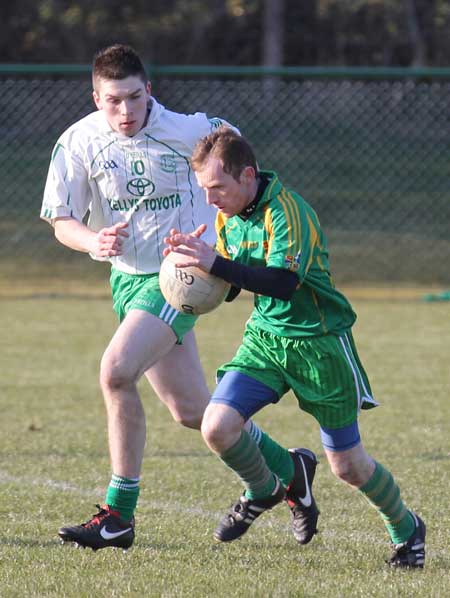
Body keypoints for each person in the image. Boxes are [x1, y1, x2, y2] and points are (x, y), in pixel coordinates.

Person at [40, 44, 319, 551]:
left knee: (115, 371)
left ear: (150, 91)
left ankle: (118, 516)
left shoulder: (193, 130)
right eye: (112, 101)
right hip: (126, 280)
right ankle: (286, 471)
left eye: (133, 98)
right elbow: (62, 221)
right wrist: (93, 241)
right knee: (193, 411)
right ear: (95, 98)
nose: (125, 112)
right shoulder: (78, 141)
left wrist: (226, 239)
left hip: (179, 277)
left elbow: (243, 173)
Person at [164, 127, 426, 568]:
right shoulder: (230, 215)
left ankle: (407, 529)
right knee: (217, 427)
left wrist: (217, 264)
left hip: (319, 345)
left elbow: (284, 283)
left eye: (217, 188)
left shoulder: (287, 212)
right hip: (266, 340)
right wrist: (193, 269)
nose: (211, 200)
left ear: (247, 175)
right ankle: (271, 485)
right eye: (204, 190)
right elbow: (231, 284)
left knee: (348, 467)